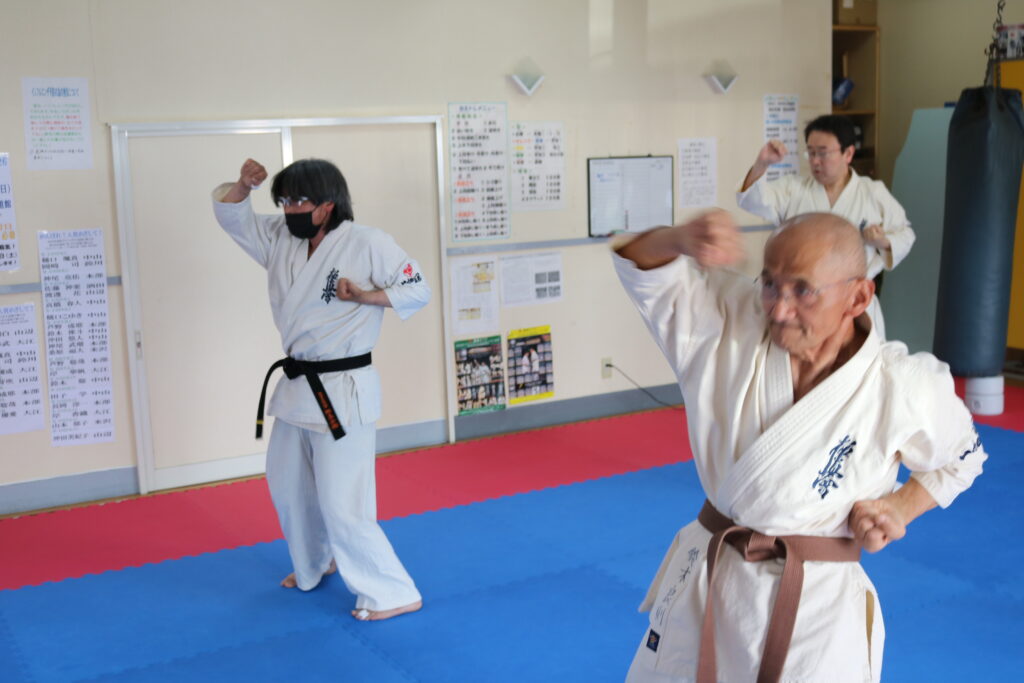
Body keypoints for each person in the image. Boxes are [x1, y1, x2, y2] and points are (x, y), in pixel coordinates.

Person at [612, 210, 985, 682]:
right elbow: (639, 265)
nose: (779, 309)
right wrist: (680, 238)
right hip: (709, 584)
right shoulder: (726, 320)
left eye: (803, 291)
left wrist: (901, 506)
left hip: (817, 610)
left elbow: (964, 456)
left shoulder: (902, 384)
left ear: (858, 297)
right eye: (770, 284)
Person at [212, 157, 429, 622]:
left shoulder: (368, 243)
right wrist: (244, 186)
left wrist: (366, 297)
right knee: (287, 485)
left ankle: (392, 591)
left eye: (299, 201)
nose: (289, 209)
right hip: (297, 386)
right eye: (284, 200)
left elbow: (417, 288)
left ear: (328, 204)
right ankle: (314, 562)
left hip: (342, 391)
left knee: (342, 501)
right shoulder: (280, 239)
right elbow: (233, 218)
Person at [737, 114, 915, 339]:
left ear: (848, 153)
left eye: (822, 153)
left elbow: (906, 234)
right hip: (801, 302)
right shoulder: (794, 189)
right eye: (811, 153)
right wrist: (762, 163)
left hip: (853, 302)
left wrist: (883, 241)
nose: (815, 161)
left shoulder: (873, 192)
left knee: (858, 358)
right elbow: (752, 200)